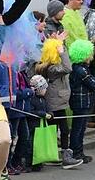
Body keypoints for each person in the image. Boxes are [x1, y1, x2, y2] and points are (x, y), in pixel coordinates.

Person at [33, 37, 81, 169]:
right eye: (58, 49)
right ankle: (61, 156)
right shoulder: (51, 69)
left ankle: (62, 155)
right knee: (57, 130)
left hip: (59, 103)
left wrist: (61, 43)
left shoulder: (51, 66)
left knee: (62, 130)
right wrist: (62, 52)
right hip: (54, 104)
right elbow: (68, 68)